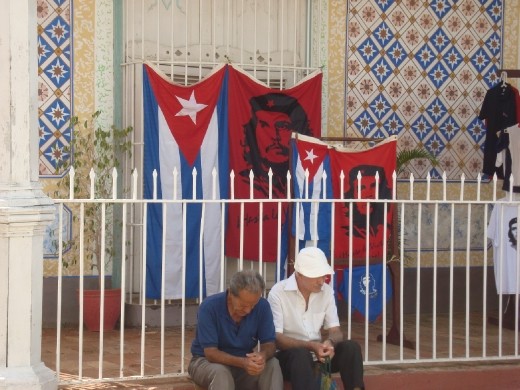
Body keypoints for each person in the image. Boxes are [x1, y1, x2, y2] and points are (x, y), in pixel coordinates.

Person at [267, 246, 365, 390]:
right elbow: (277, 338)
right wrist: (311, 346)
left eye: (323, 275)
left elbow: (336, 330)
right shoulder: (278, 293)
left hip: (318, 355)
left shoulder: (326, 291)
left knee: (351, 348)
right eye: (316, 276)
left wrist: (329, 343)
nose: (321, 281)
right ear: (299, 274)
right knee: (301, 354)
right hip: (289, 358)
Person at [188, 269, 283, 390]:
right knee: (221, 373)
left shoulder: (263, 306)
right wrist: (243, 362)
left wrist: (262, 356)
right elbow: (211, 353)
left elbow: (269, 343)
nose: (248, 310)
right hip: (206, 362)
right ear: (231, 294)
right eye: (243, 305)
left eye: (253, 305)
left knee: (272, 364)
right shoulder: (209, 307)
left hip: (242, 364)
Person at [240, 93, 313, 197]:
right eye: (264, 126)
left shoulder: (309, 181)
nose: (275, 137)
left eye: (282, 127)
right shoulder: (243, 180)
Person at [342, 164, 392, 258]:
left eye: (374, 186)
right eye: (361, 188)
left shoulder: (385, 228)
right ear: (352, 195)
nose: (368, 194)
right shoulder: (347, 231)